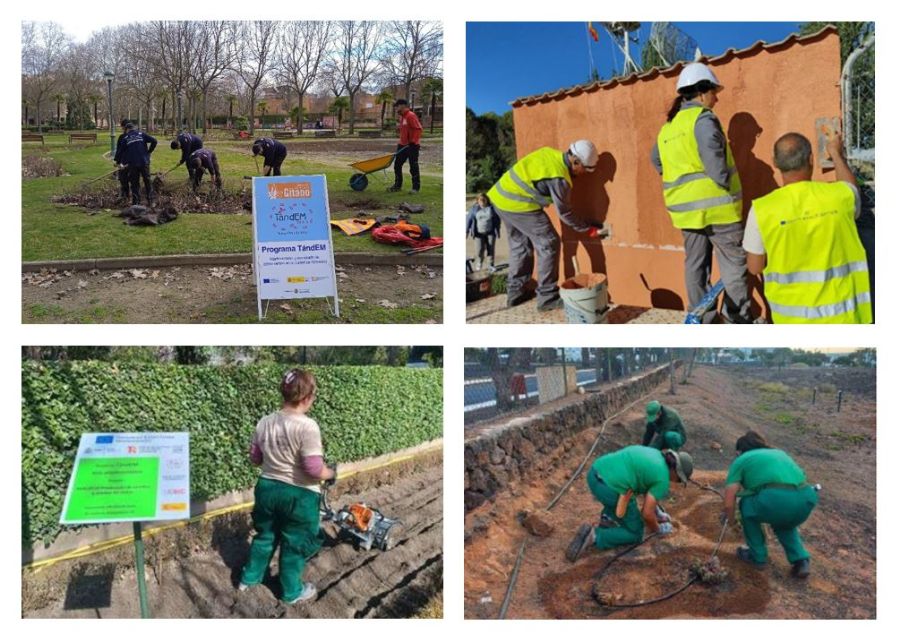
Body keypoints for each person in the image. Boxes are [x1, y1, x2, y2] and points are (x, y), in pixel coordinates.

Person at [652, 62, 752, 323]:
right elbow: (716, 164)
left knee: (695, 267)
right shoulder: (704, 119)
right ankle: (736, 319)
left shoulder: (668, 128)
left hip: (685, 214)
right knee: (733, 267)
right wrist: (722, 182)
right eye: (714, 92)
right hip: (719, 210)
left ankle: (702, 319)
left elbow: (657, 161)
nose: (716, 97)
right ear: (701, 91)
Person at [741, 129, 872, 323]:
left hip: (792, 323)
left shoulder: (761, 210)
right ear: (811, 159)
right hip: (846, 319)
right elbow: (852, 189)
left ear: (775, 163)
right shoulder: (839, 197)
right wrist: (836, 152)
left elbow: (754, 267)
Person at [239, 369, 336, 604]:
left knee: (265, 536)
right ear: (307, 398)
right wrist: (331, 472)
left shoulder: (265, 422)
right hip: (299, 496)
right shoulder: (307, 426)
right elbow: (314, 469)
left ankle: (249, 579)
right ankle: (292, 591)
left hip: (267, 489)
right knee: (294, 543)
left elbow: (255, 459)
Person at [488, 141, 604, 311]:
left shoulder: (550, 154)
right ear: (576, 162)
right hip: (517, 203)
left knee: (520, 246)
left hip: (500, 197)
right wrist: (587, 228)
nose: (585, 174)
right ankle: (547, 297)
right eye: (586, 169)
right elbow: (565, 213)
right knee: (549, 242)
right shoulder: (560, 179)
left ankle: (515, 293)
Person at [722, 431, 818, 578]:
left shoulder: (741, 459)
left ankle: (757, 556)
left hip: (777, 500)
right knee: (784, 522)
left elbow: (729, 502)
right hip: (806, 498)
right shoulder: (779, 453)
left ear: (738, 452)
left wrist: (731, 521)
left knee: (746, 505)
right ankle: (801, 560)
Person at [569, 445, 693, 558]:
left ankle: (608, 518)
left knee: (621, 496)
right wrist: (658, 529)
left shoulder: (656, 454)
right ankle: (595, 536)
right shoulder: (663, 479)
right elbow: (646, 514)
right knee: (636, 532)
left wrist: (658, 512)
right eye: (679, 480)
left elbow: (647, 485)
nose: (676, 482)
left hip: (595, 473)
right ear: (676, 472)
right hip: (611, 489)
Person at [115, 122, 157, 206]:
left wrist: (118, 162)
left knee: (134, 183)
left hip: (133, 164)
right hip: (144, 162)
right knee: (147, 180)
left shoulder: (126, 138)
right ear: (134, 128)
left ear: (127, 130)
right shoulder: (141, 134)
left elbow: (120, 151)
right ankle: (151, 201)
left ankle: (136, 202)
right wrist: (149, 152)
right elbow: (154, 141)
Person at [387, 98, 423, 194]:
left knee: (413, 166)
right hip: (402, 145)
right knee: (397, 165)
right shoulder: (402, 117)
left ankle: (415, 188)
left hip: (412, 146)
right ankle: (397, 186)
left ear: (403, 106)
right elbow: (406, 128)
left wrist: (413, 141)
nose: (396, 109)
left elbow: (418, 129)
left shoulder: (410, 115)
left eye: (397, 106)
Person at [466, 193, 501, 270]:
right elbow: (468, 220)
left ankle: (491, 265)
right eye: (480, 199)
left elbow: (497, 220)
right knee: (479, 250)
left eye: (483, 199)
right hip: (478, 233)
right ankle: (479, 262)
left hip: (490, 232)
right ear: (477, 200)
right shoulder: (474, 209)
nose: (482, 201)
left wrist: (497, 230)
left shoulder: (492, 209)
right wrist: (466, 231)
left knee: (490, 249)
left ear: (487, 200)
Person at [113, 119, 131, 201]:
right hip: (134, 161)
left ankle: (126, 195)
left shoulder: (122, 137)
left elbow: (119, 150)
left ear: (124, 127)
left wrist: (117, 162)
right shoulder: (138, 135)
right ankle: (129, 196)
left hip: (125, 162)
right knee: (132, 180)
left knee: (123, 179)